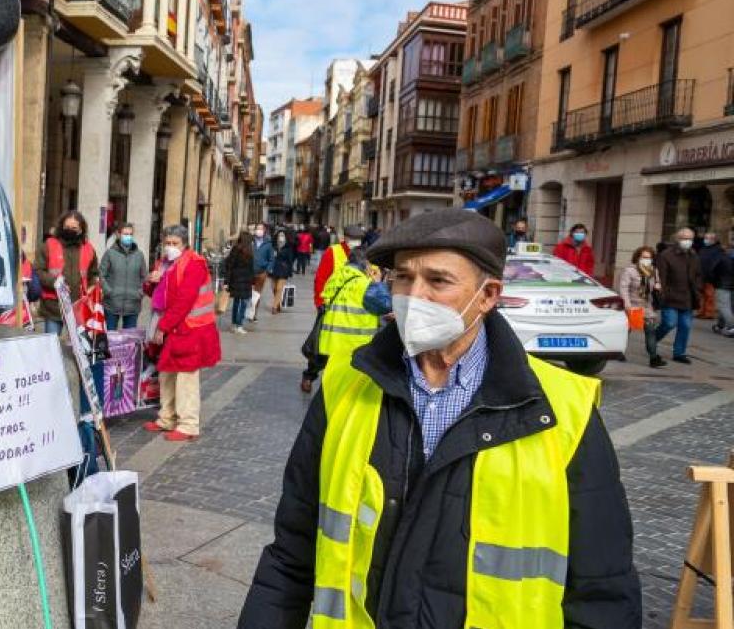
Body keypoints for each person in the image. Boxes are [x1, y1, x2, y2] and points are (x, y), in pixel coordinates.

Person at [239, 208, 640, 629]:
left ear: (487, 295)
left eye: (438, 280)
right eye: (404, 277)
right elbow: (292, 553)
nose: (415, 296)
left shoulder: (564, 410)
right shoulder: (345, 385)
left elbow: (602, 589)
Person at [142, 225, 222, 441]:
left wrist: (163, 327)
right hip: (174, 326)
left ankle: (188, 424)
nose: (170, 247)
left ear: (185, 244)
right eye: (167, 243)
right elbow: (157, 294)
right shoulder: (165, 263)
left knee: (186, 377)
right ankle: (167, 417)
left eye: (174, 243)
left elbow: (184, 300)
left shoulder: (194, 264)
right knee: (167, 372)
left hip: (191, 328)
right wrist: (150, 282)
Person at [304, 242, 391, 393]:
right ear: (366, 263)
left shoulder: (337, 277)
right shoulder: (364, 285)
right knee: (347, 392)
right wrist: (378, 284)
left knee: (332, 387)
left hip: (331, 343)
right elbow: (385, 305)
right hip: (354, 345)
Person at [301, 225, 364, 392]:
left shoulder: (365, 255)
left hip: (355, 311)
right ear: (346, 237)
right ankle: (309, 375)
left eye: (358, 238)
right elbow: (321, 278)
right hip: (331, 309)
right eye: (353, 238)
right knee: (321, 347)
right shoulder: (334, 252)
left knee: (348, 349)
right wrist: (319, 302)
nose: (355, 241)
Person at [37, 210, 99, 335]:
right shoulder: (49, 245)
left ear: (81, 229)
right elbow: (38, 270)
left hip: (79, 308)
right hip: (54, 307)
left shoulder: (89, 249)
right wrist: (55, 282)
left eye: (74, 228)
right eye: (67, 227)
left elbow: (94, 274)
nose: (70, 230)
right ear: (61, 227)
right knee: (52, 347)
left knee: (80, 349)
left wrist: (93, 286)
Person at [656, 227, 703, 363]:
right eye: (684, 238)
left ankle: (679, 353)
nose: (687, 241)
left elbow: (698, 274)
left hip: (688, 298)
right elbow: (661, 277)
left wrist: (698, 289)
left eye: (690, 239)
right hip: (670, 297)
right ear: (678, 239)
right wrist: (660, 295)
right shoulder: (666, 255)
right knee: (669, 323)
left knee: (685, 326)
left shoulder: (694, 255)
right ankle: (652, 339)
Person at [618, 246, 665, 368]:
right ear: (638, 257)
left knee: (650, 332)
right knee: (627, 331)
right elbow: (624, 288)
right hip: (633, 306)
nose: (646, 260)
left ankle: (653, 358)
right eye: (644, 257)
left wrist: (658, 288)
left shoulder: (653, 271)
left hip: (647, 306)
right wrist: (627, 304)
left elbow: (657, 286)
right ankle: (620, 352)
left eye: (649, 258)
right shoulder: (630, 271)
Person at [100, 222, 147, 330]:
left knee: (129, 339)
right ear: (118, 234)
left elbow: (144, 277)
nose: (128, 237)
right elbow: (101, 274)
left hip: (133, 303)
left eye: (130, 234)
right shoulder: (110, 253)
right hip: (112, 303)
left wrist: (140, 292)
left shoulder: (139, 255)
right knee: (110, 337)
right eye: (125, 234)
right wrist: (108, 291)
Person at [223, 231, 256, 335]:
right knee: (243, 303)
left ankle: (234, 324)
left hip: (237, 280)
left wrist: (227, 281)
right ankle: (239, 325)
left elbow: (229, 265)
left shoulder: (236, 249)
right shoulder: (246, 251)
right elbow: (250, 268)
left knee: (237, 302)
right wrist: (252, 281)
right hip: (243, 280)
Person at [251, 224, 275, 322]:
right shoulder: (250, 241)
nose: (259, 230)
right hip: (249, 272)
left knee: (257, 294)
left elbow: (271, 259)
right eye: (257, 228)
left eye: (261, 229)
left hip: (261, 273)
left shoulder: (268, 244)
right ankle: (247, 311)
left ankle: (253, 314)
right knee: (248, 294)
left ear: (264, 231)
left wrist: (267, 270)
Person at [698, 231, 723, 321]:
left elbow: (716, 264)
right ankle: (701, 311)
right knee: (702, 295)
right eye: (706, 238)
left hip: (711, 276)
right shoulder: (703, 248)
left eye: (709, 238)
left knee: (709, 296)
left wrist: (712, 275)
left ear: (714, 240)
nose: (706, 240)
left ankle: (709, 313)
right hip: (702, 275)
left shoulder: (717, 250)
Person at [270, 229, 295, 314]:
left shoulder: (288, 248)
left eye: (283, 235)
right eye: (279, 235)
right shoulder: (273, 247)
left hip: (283, 270)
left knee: (279, 288)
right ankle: (278, 303)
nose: (281, 237)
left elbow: (290, 260)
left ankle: (274, 307)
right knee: (274, 288)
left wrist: (290, 271)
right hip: (273, 270)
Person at [714, 244, 734, 337]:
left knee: (724, 306)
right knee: (729, 306)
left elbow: (713, 270)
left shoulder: (723, 258)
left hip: (722, 285)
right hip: (730, 285)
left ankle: (731, 327)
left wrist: (714, 281)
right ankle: (720, 325)